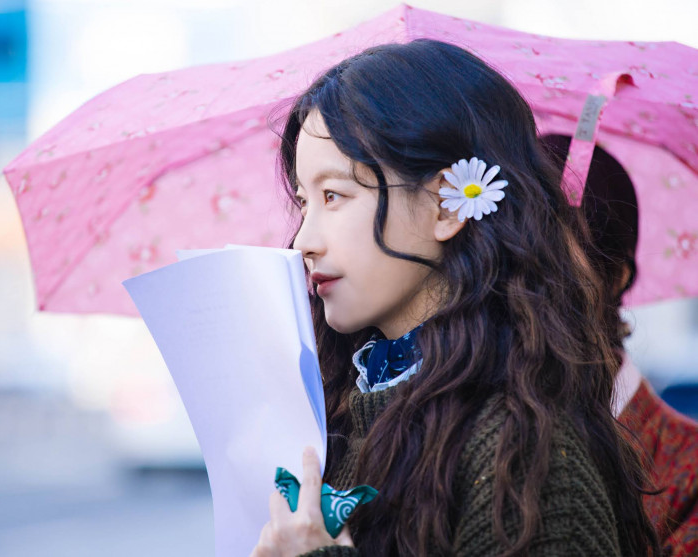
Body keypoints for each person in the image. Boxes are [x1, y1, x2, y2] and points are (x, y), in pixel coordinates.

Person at [250, 39, 658, 557]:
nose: (304, 239)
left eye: (334, 196)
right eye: (304, 202)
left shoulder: (525, 455)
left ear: (447, 206)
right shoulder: (335, 417)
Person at [541, 134, 698, 556]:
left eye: (549, 267)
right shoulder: (443, 415)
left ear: (616, 277)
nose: (516, 289)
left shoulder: (689, 469)